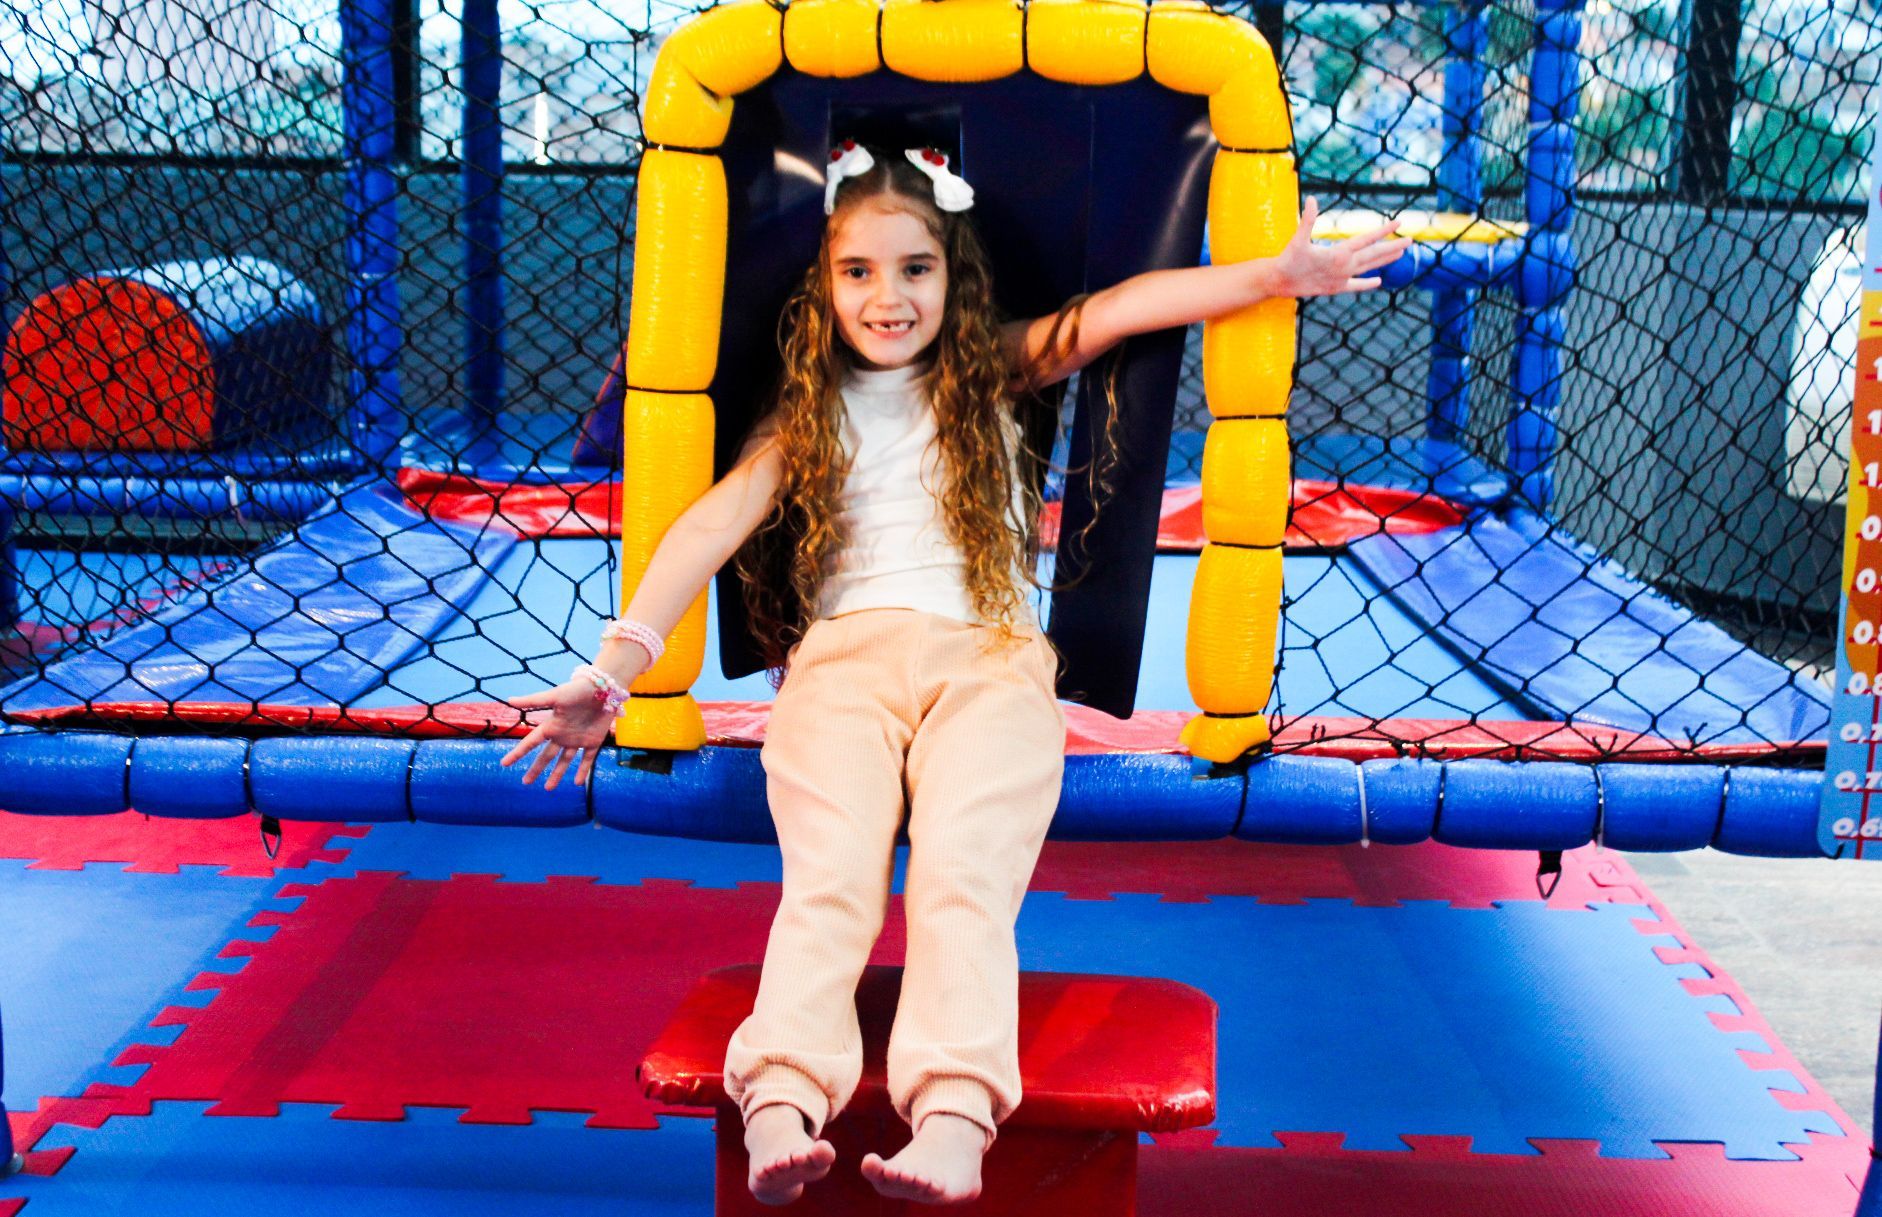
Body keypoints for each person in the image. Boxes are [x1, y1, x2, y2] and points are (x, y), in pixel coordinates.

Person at [502, 143, 1408, 1207]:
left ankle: (953, 1116)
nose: (888, 296)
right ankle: (783, 1096)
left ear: (953, 275)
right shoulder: (805, 415)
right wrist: (612, 672)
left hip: (986, 660)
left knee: (961, 880)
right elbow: (706, 525)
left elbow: (1124, 307)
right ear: (824, 285)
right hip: (840, 662)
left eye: (914, 268)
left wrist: (1271, 277)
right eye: (859, 271)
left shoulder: (996, 368)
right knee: (829, 880)